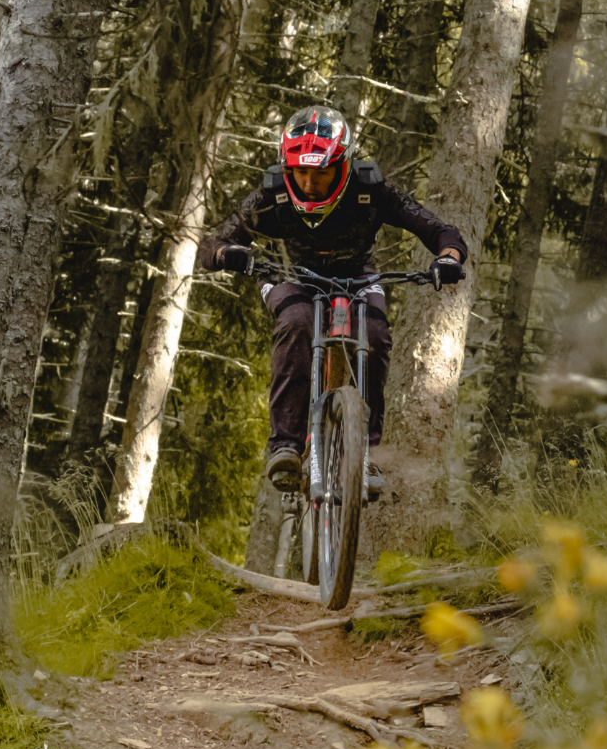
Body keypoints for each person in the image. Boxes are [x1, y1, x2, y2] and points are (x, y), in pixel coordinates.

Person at [199, 106, 468, 492]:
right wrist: (228, 253)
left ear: (341, 164)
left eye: (321, 171)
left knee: (375, 337)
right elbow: (212, 243)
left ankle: (367, 454)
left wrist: (448, 258)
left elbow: (440, 231)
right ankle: (286, 446)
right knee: (297, 324)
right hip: (291, 272)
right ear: (287, 167)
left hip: (357, 274)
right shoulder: (271, 195)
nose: (309, 182)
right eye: (301, 172)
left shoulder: (370, 189)